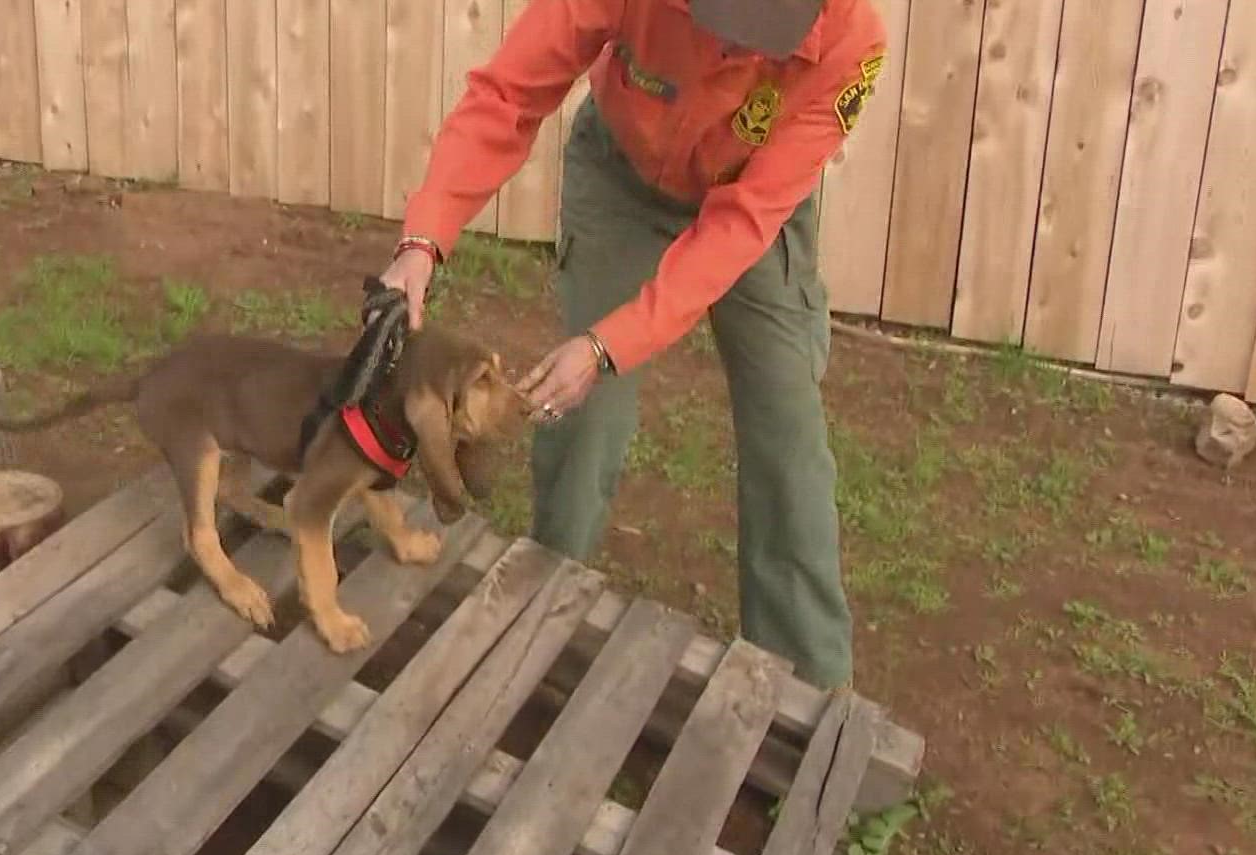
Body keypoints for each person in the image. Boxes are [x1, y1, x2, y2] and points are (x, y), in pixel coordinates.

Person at [378, 0, 887, 690]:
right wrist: (422, 241)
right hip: (623, 176)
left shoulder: (852, 42)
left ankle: (809, 699)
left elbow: (739, 225)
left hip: (753, 208)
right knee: (585, 414)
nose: (728, 49)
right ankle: (537, 633)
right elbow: (509, 94)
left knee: (788, 438)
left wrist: (611, 341)